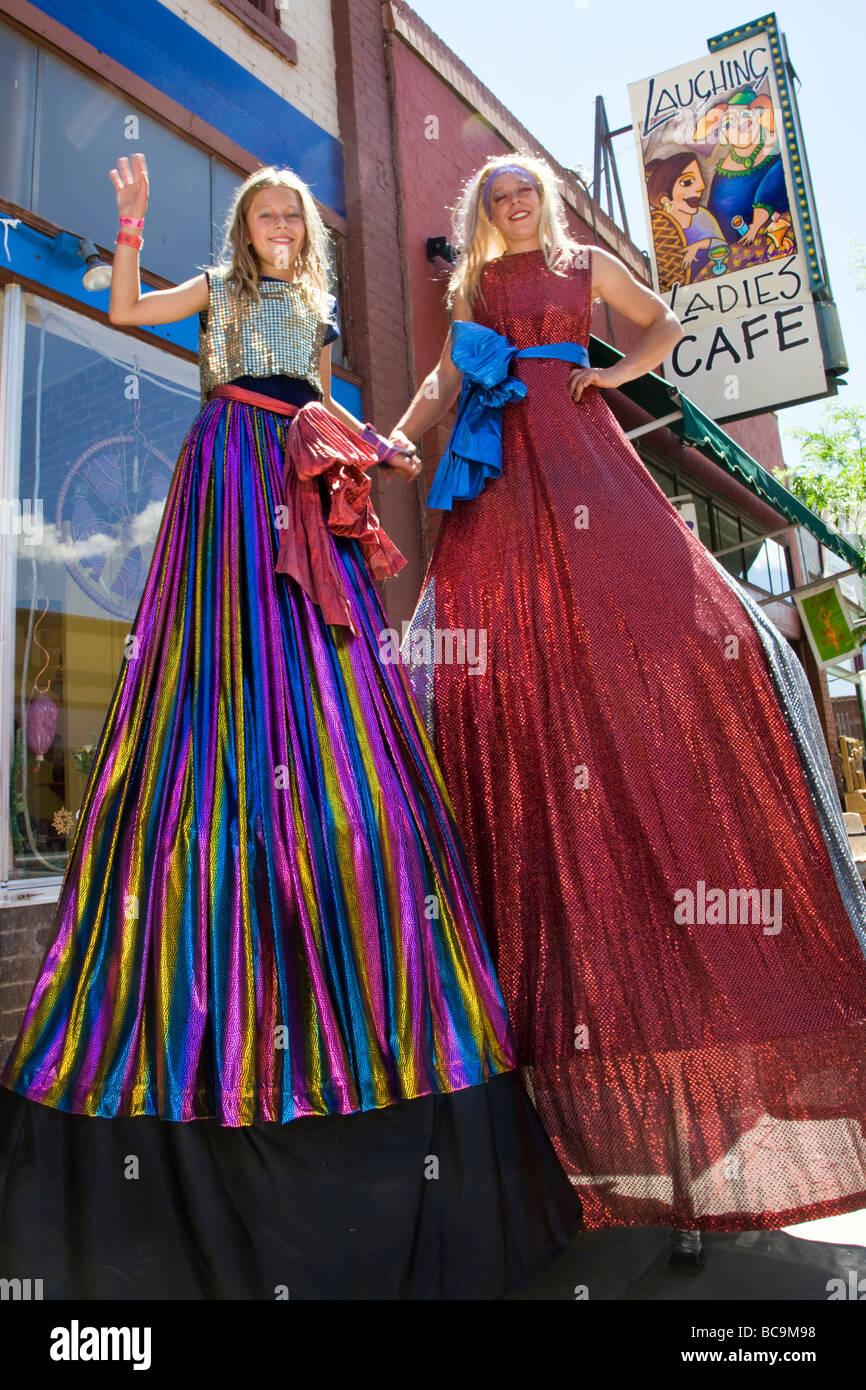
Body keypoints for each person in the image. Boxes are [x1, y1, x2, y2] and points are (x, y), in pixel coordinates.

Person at [0, 154, 582, 1300]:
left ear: (303, 236)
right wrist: (125, 224)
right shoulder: (212, 291)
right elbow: (121, 310)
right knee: (216, 666)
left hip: (299, 476)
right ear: (241, 227)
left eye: (290, 216)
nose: (277, 226)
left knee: (327, 679)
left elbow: (328, 405)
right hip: (227, 474)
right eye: (263, 213)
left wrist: (379, 446)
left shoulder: (315, 309)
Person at [388, 152, 866, 1257]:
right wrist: (400, 440)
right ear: (478, 213)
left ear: (543, 203)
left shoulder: (582, 262)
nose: (512, 207)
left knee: (690, 628)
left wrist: (612, 375)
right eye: (495, 199)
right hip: (500, 476)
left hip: (581, 456)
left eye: (523, 195)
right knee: (479, 661)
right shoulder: (472, 291)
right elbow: (442, 384)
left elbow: (662, 327)